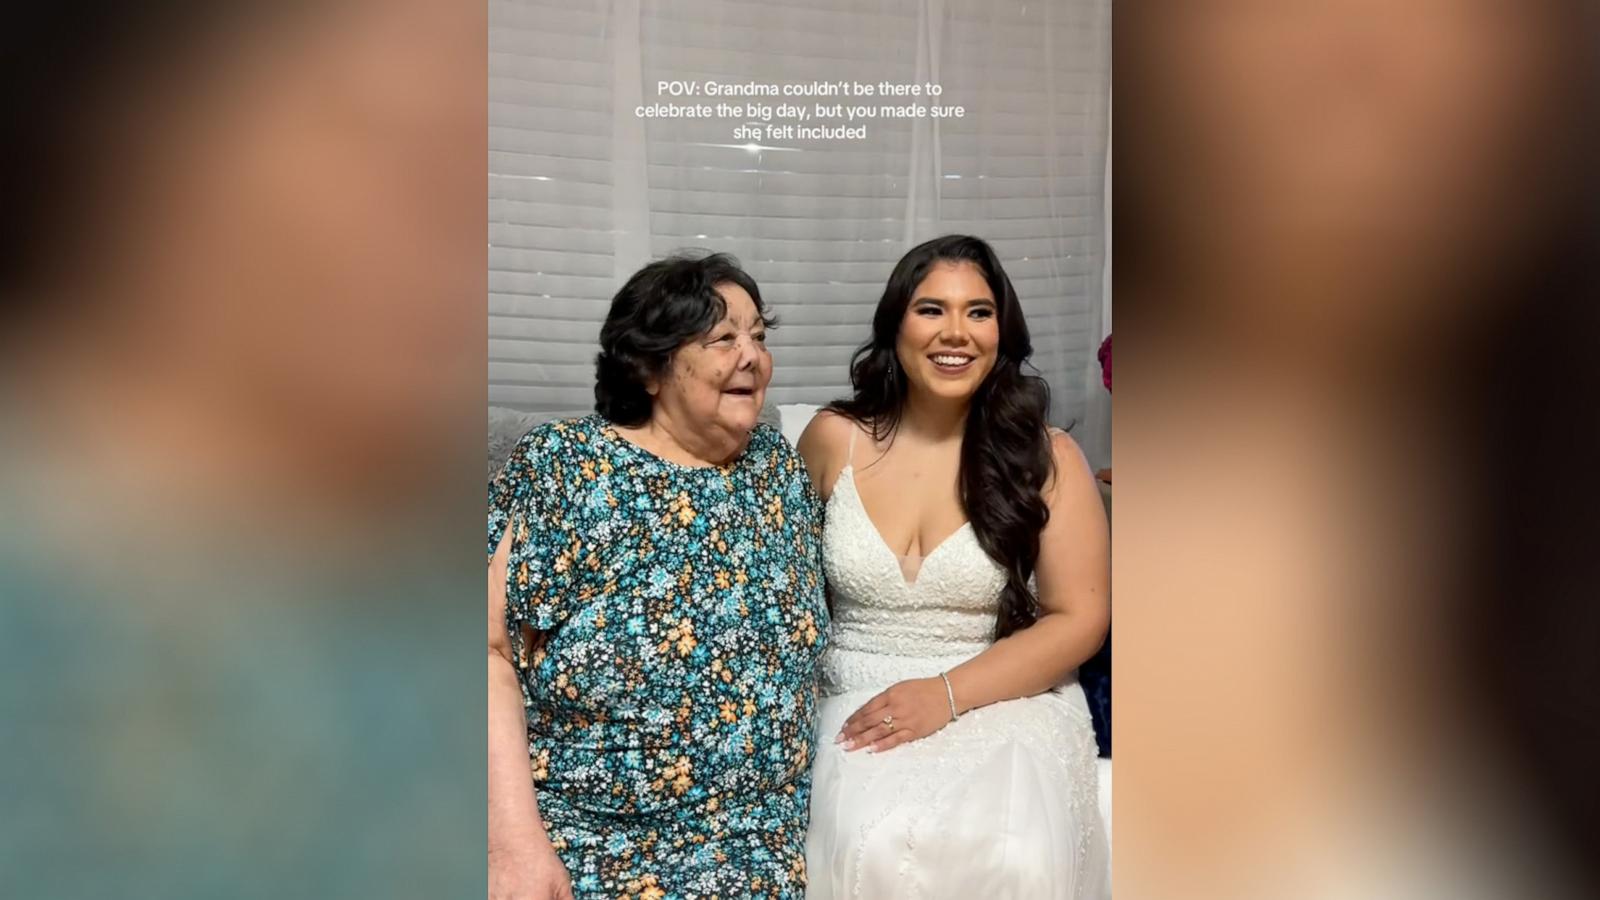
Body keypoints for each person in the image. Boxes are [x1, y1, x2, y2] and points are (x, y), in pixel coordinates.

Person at [487, 253, 829, 899]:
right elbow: (484, 649)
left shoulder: (776, 467)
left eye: (758, 335)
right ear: (649, 367)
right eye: (723, 338)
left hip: (758, 846)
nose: (751, 355)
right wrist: (512, 844)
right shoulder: (567, 464)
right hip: (589, 841)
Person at [798, 235, 1110, 898]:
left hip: (996, 692)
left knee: (1011, 849)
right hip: (851, 691)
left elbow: (1080, 618)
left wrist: (944, 695)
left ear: (1003, 331)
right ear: (895, 325)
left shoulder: (1047, 456)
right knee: (870, 841)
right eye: (932, 309)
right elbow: (778, 593)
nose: (956, 333)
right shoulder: (831, 437)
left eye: (979, 312)